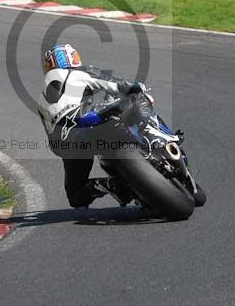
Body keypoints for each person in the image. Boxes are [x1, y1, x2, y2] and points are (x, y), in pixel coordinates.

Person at [37, 44, 153, 208]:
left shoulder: (41, 99)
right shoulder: (79, 72)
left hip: (66, 145)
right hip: (87, 124)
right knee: (138, 98)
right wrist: (135, 87)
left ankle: (107, 184)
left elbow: (52, 135)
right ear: (71, 59)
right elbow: (113, 84)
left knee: (76, 198)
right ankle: (159, 139)